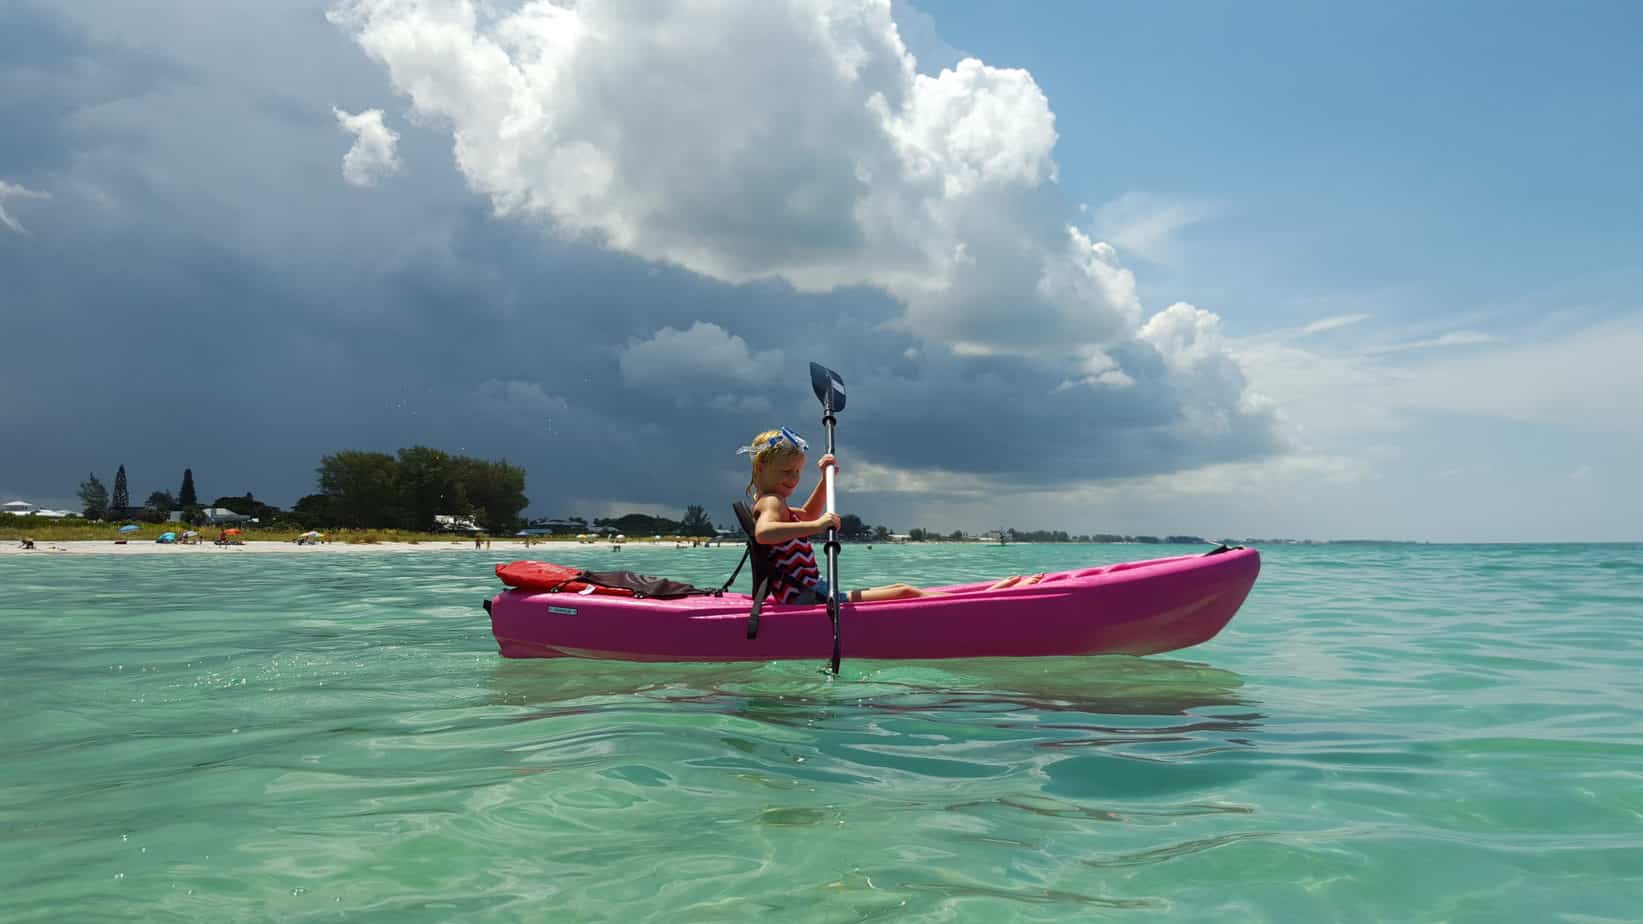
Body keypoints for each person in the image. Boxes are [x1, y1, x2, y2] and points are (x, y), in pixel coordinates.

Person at [740, 426, 1040, 604]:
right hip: (807, 597)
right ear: (761, 468)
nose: (793, 479)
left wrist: (824, 480)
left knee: (902, 589)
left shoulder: (775, 501)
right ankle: (987, 601)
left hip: (812, 592)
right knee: (904, 592)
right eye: (785, 472)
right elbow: (764, 533)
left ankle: (985, 596)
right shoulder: (770, 503)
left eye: (797, 473)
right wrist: (818, 525)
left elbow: (805, 513)